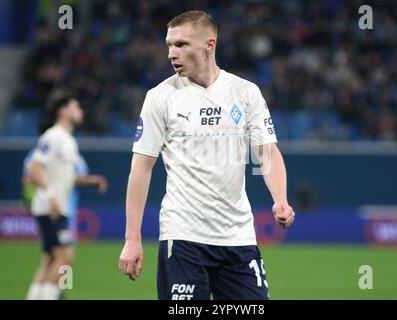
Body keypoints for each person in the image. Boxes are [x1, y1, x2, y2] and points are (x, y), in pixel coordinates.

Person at [119, 10, 295, 300]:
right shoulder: (159, 97)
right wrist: (132, 238)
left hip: (238, 237)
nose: (171, 53)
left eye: (181, 44)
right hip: (184, 236)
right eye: (169, 45)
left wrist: (280, 199)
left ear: (209, 45)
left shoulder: (245, 92)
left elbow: (267, 152)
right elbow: (141, 168)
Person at [25, 89, 107, 300]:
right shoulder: (53, 136)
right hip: (52, 206)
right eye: (75, 107)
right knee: (66, 257)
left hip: (57, 205)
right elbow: (34, 169)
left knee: (51, 259)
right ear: (63, 111)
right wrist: (52, 195)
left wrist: (91, 180)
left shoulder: (68, 140)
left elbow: (69, 176)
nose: (80, 111)